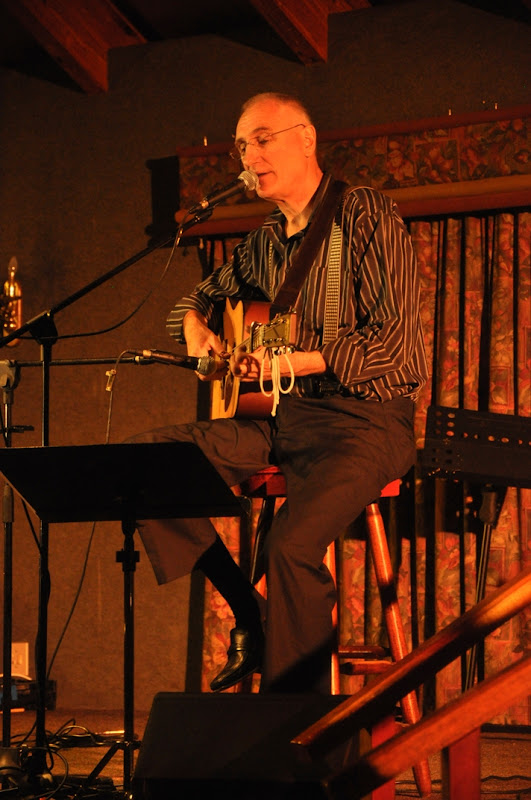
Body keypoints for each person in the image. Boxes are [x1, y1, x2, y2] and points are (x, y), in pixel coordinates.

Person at [129, 91, 428, 694]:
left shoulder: (364, 213)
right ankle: (251, 614)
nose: (249, 156)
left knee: (291, 548)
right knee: (150, 462)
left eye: (262, 139)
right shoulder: (264, 242)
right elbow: (191, 303)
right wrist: (197, 332)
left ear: (307, 139)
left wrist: (294, 359)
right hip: (285, 418)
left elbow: (397, 345)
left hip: (365, 421)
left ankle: (300, 725)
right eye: (242, 146)